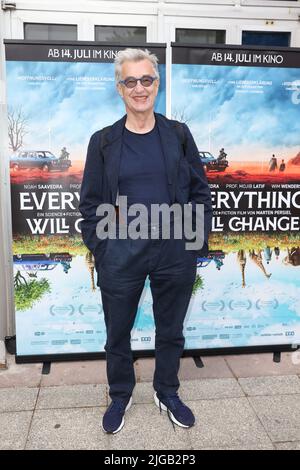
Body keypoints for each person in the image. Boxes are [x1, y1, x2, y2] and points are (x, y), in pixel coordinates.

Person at [79, 48, 212, 434]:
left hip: (174, 249)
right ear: (119, 88)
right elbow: (90, 203)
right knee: (117, 331)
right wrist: (104, 249)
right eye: (130, 81)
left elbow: (200, 193)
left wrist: (193, 241)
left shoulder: (178, 135)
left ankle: (167, 390)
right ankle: (120, 394)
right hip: (120, 251)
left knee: (171, 329)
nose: (140, 88)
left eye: (147, 79)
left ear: (158, 83)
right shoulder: (103, 141)